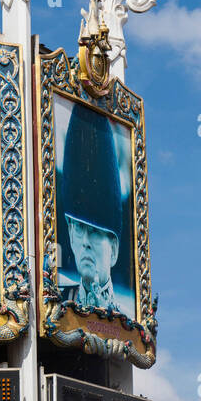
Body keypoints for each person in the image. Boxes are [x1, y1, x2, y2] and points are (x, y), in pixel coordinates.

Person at [56, 99, 129, 315]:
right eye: (79, 228)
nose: (86, 242)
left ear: (114, 249)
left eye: (96, 232)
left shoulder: (128, 317)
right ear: (70, 233)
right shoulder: (55, 300)